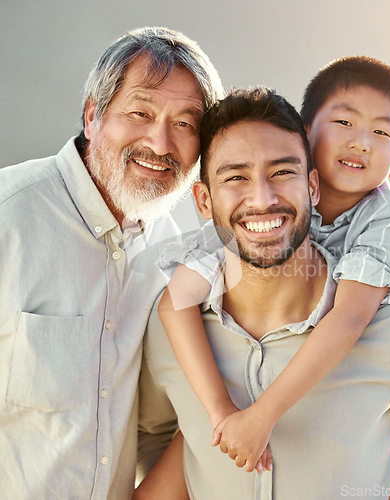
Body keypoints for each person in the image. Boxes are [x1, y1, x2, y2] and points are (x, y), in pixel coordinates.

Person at [137, 87, 390, 499]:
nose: (262, 198)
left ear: (312, 187)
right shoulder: (171, 324)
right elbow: (154, 436)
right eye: (236, 177)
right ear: (204, 201)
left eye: (282, 172)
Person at [156, 56, 390, 472]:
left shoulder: (387, 224)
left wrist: (262, 416)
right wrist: (221, 411)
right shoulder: (256, 209)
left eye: (382, 132)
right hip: (257, 372)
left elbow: (349, 319)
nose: (361, 142)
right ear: (307, 134)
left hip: (356, 398)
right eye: (345, 124)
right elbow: (175, 302)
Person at [0, 26, 223, 499]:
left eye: (185, 123)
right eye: (141, 112)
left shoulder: (171, 250)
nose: (161, 144)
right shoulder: (9, 214)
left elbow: (153, 427)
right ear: (92, 114)